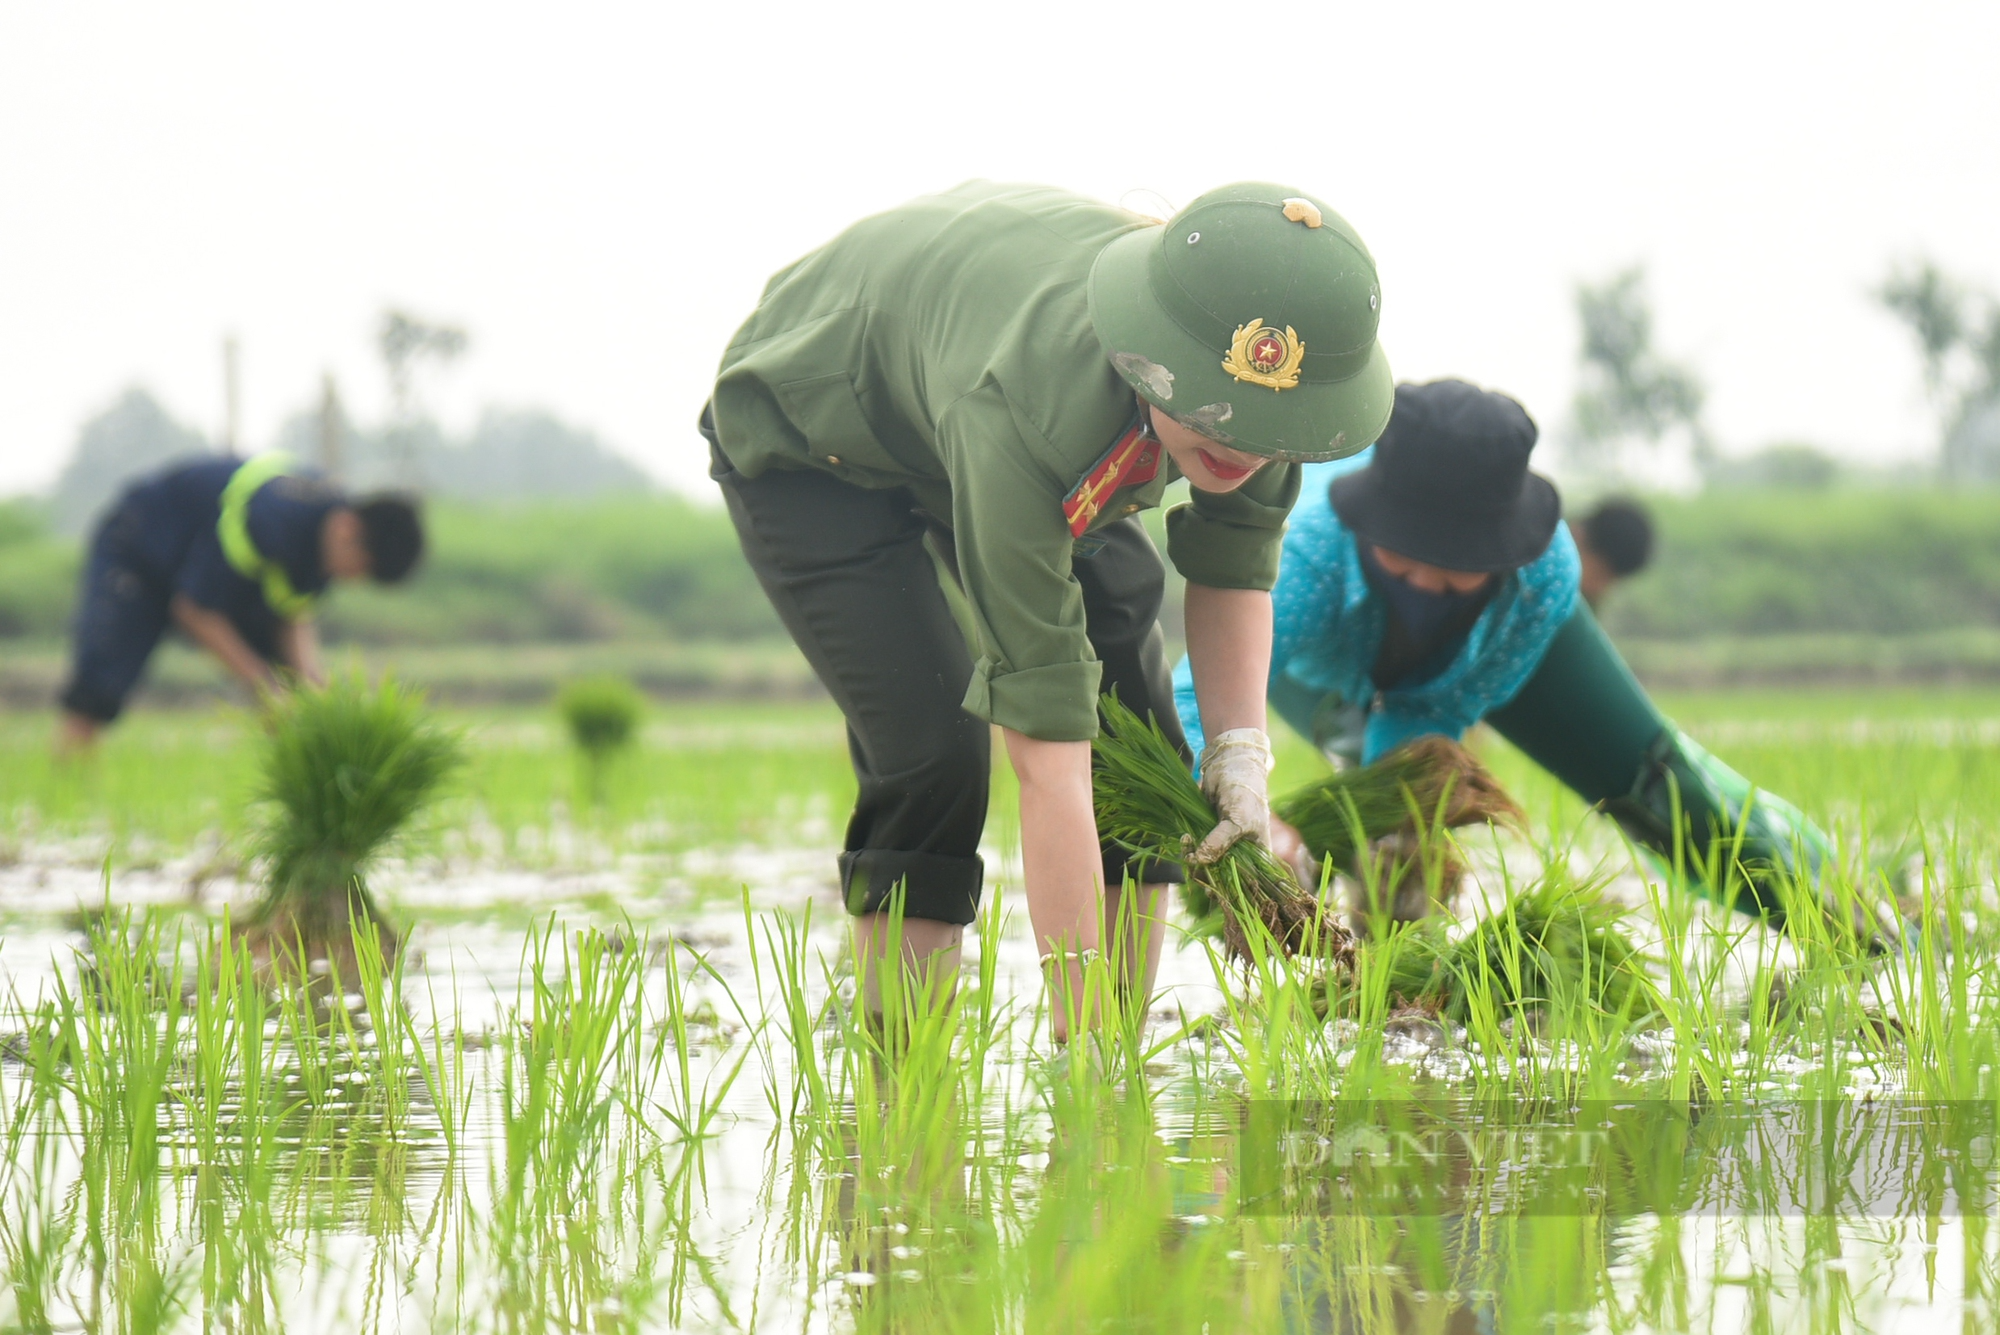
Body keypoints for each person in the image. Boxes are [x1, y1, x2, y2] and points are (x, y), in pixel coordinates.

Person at [702, 180, 1392, 1036]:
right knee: (933, 747)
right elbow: (1049, 760)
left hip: (955, 369)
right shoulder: (1026, 412)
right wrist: (1084, 1072)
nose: (1243, 449)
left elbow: (1232, 572)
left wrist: (1240, 755)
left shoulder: (1265, 400)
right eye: (1219, 422)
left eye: (1264, 429)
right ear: (1152, 354)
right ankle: (904, 1056)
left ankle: (1119, 1029)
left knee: (1137, 726)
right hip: (815, 431)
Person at [1174, 378, 1849, 932]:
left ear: (1496, 554)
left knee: (1662, 793)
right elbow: (1191, 697)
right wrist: (1253, 824)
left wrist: (1409, 821)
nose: (1420, 583)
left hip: (1465, 664)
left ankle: (1846, 913)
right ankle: (1378, 951)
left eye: (1452, 568)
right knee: (1365, 829)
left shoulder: (1541, 577)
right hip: (1315, 664)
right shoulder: (1311, 554)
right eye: (1403, 553)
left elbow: (1431, 707)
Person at [57, 453, 424, 750]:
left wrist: (314, 689)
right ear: (348, 529)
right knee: (98, 690)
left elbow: (291, 612)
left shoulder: (326, 538)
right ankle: (69, 786)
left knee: (295, 701)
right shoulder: (270, 520)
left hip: (215, 574)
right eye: (359, 570)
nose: (353, 581)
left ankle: (303, 802)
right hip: (140, 548)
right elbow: (196, 609)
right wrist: (264, 686)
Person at [1573, 496, 1654, 609]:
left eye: (1609, 583)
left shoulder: (1587, 604)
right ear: (1578, 534)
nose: (1598, 589)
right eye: (1599, 575)